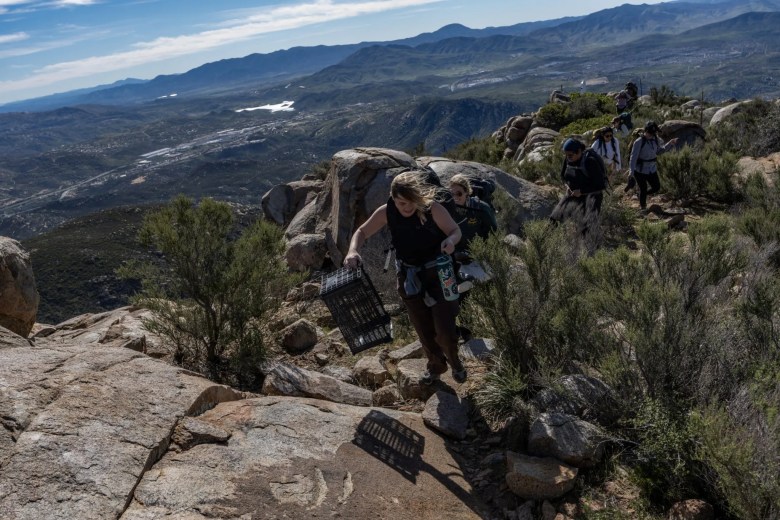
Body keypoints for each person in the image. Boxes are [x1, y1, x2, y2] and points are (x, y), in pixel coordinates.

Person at [344, 171, 467, 385]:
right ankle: (436, 367)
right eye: (401, 203)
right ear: (393, 198)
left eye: (411, 202)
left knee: (445, 328)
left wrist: (451, 241)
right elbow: (362, 232)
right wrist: (352, 251)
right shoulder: (388, 211)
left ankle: (455, 362)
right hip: (409, 275)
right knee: (423, 328)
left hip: (439, 271)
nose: (407, 207)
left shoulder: (432, 208)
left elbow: (455, 230)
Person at [447, 174, 497, 342]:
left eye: (459, 194)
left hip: (480, 256)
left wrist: (484, 252)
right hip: (460, 258)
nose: (455, 198)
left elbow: (493, 232)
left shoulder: (480, 208)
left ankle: (497, 324)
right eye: (452, 194)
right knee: (460, 294)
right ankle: (466, 331)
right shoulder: (449, 211)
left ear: (467, 192)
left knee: (491, 291)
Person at [550, 138, 607, 242]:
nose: (568, 157)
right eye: (566, 155)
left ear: (579, 151)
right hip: (572, 194)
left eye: (570, 155)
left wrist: (581, 191)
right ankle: (550, 244)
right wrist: (567, 186)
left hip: (592, 197)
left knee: (587, 228)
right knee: (554, 218)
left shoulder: (590, 162)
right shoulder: (568, 159)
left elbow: (601, 185)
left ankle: (591, 251)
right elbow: (563, 176)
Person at [628, 121, 679, 211]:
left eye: (653, 133)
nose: (651, 135)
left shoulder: (655, 139)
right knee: (643, 188)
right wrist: (631, 173)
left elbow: (659, 151)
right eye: (650, 133)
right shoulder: (639, 142)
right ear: (646, 131)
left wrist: (670, 144)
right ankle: (643, 207)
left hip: (651, 168)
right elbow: (633, 157)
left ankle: (641, 195)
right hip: (640, 170)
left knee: (656, 187)